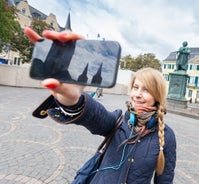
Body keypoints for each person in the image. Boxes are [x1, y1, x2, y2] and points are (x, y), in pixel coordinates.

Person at [24, 27, 176, 184]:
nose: (137, 94)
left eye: (146, 90)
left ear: (157, 96)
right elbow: (94, 115)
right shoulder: (118, 121)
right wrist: (73, 100)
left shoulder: (167, 136)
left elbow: (165, 180)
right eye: (135, 87)